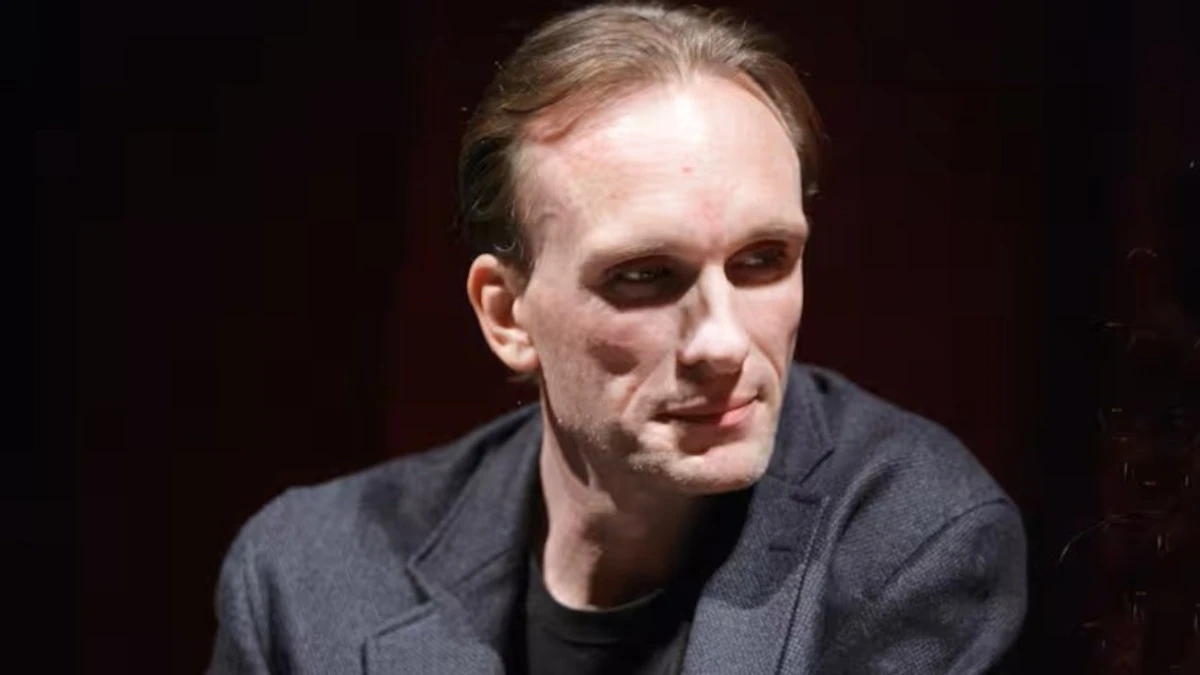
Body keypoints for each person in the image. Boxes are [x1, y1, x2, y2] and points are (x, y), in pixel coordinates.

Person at [206, 3, 1027, 673]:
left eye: (763, 260)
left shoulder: (913, 543)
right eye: (645, 275)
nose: (723, 343)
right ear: (506, 314)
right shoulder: (307, 575)